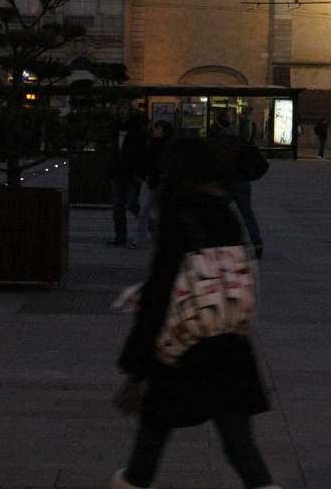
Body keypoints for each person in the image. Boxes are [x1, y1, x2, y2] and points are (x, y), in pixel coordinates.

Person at [112, 137, 276, 489]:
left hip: (184, 347)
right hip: (229, 346)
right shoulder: (226, 213)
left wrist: (135, 369)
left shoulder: (177, 215)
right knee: (240, 444)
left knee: (150, 442)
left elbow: (160, 291)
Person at [209, 110, 269, 259]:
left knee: (216, 213)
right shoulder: (238, 138)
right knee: (247, 214)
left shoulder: (215, 141)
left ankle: (217, 245)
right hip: (242, 182)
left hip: (226, 183)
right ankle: (257, 243)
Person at [130, 120, 174, 250]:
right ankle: (138, 239)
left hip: (163, 183)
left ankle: (163, 239)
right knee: (144, 211)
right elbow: (146, 163)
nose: (155, 131)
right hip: (153, 183)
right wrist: (141, 175)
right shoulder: (152, 145)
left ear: (164, 132)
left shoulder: (168, 147)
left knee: (162, 213)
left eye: (158, 129)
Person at [109, 104, 148, 247]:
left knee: (132, 204)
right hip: (117, 172)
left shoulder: (137, 130)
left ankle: (151, 225)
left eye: (124, 108)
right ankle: (120, 237)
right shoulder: (113, 128)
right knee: (117, 206)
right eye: (120, 108)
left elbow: (142, 152)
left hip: (132, 173)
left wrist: (140, 173)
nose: (121, 110)